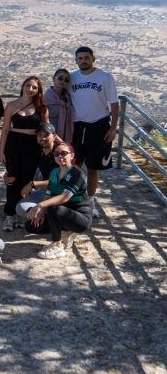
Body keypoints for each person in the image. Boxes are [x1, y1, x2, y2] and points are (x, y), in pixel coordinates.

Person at [69, 46, 119, 210]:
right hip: (77, 126)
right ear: (76, 60)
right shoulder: (71, 77)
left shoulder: (105, 77)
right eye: (80, 58)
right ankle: (73, 198)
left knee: (93, 167)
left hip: (99, 125)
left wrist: (112, 129)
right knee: (74, 165)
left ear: (93, 59)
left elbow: (114, 104)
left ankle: (90, 201)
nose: (83, 61)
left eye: (86, 57)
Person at [24, 143, 92, 260]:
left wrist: (40, 205)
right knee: (31, 225)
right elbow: (49, 194)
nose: (60, 156)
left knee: (54, 208)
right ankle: (66, 231)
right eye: (56, 154)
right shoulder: (55, 172)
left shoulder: (77, 173)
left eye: (64, 153)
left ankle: (57, 246)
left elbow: (65, 197)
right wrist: (40, 211)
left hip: (81, 217)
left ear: (72, 155)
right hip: (62, 213)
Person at [0, 75, 48, 232]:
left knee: (27, 179)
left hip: (33, 146)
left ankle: (21, 213)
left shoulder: (42, 108)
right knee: (13, 178)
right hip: (14, 144)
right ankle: (9, 214)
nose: (30, 89)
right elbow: (5, 129)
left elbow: (46, 130)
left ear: (38, 90)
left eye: (34, 87)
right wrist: (1, 151)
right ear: (23, 86)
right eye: (28, 85)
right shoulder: (12, 105)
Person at [16, 122, 63, 235]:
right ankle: (45, 219)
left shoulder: (60, 154)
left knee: (54, 210)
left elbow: (59, 181)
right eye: (39, 135)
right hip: (45, 192)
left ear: (54, 136)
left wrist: (33, 184)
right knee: (20, 208)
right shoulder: (38, 152)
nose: (42, 138)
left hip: (60, 194)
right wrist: (9, 173)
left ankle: (53, 221)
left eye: (46, 135)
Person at [45, 68, 74, 143]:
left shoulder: (68, 98)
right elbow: (43, 121)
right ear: (53, 78)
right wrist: (59, 141)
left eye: (66, 80)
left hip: (65, 137)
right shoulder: (46, 98)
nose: (63, 81)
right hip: (49, 137)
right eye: (60, 78)